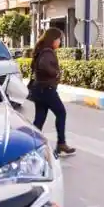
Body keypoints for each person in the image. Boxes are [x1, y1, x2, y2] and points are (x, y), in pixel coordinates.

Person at [30, 28, 76, 156]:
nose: (59, 42)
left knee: (39, 119)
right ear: (53, 40)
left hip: (39, 89)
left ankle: (32, 145)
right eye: (59, 39)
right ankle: (61, 144)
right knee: (61, 113)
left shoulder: (41, 50)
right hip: (47, 90)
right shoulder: (48, 52)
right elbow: (44, 65)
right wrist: (55, 72)